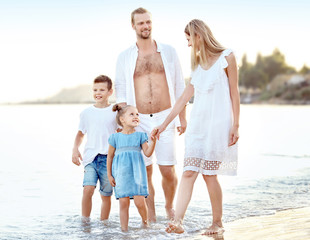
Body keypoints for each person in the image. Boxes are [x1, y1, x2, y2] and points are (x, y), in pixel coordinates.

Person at [155, 19, 240, 235]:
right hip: (197, 127)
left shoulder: (227, 57)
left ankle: (217, 222)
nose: (188, 44)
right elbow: (183, 99)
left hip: (218, 125)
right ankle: (178, 221)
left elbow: (234, 92)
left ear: (198, 35)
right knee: (188, 172)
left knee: (209, 175)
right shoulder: (198, 67)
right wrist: (163, 125)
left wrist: (236, 125)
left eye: (189, 39)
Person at [114, 7, 186, 222]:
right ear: (133, 26)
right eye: (141, 23)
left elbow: (179, 84)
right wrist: (127, 124)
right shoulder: (125, 57)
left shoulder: (169, 51)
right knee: (146, 172)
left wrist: (182, 118)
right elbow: (121, 89)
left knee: (168, 169)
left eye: (148, 22)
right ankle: (152, 216)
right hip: (140, 120)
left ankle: (170, 206)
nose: (145, 26)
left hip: (166, 116)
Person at [72, 75, 117, 221]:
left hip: (109, 159)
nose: (98, 93)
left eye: (102, 90)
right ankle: (85, 223)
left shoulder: (115, 111)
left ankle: (104, 225)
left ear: (110, 92)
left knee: (105, 195)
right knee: (88, 189)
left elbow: (123, 132)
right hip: (91, 158)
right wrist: (75, 149)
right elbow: (80, 134)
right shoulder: (86, 113)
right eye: (95, 90)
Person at [107, 104, 158, 231]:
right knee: (123, 202)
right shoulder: (115, 137)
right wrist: (109, 175)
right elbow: (110, 157)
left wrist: (154, 141)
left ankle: (145, 224)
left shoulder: (140, 136)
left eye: (137, 114)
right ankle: (124, 231)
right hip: (121, 174)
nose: (136, 116)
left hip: (137, 174)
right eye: (132, 114)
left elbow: (147, 153)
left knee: (139, 201)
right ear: (122, 120)